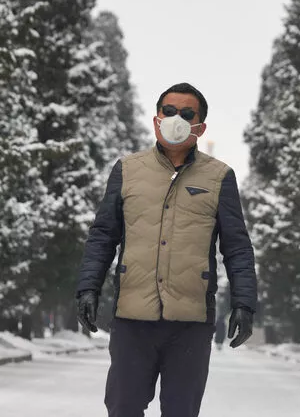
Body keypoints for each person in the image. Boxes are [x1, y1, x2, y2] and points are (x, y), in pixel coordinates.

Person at [76, 83, 258, 417]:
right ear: (157, 119)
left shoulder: (219, 177)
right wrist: (88, 286)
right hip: (133, 319)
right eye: (169, 111)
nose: (176, 118)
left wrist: (244, 303)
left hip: (190, 323)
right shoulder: (127, 170)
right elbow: (103, 234)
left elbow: (237, 248)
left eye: (186, 114)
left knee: (181, 411)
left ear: (200, 126)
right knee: (123, 407)